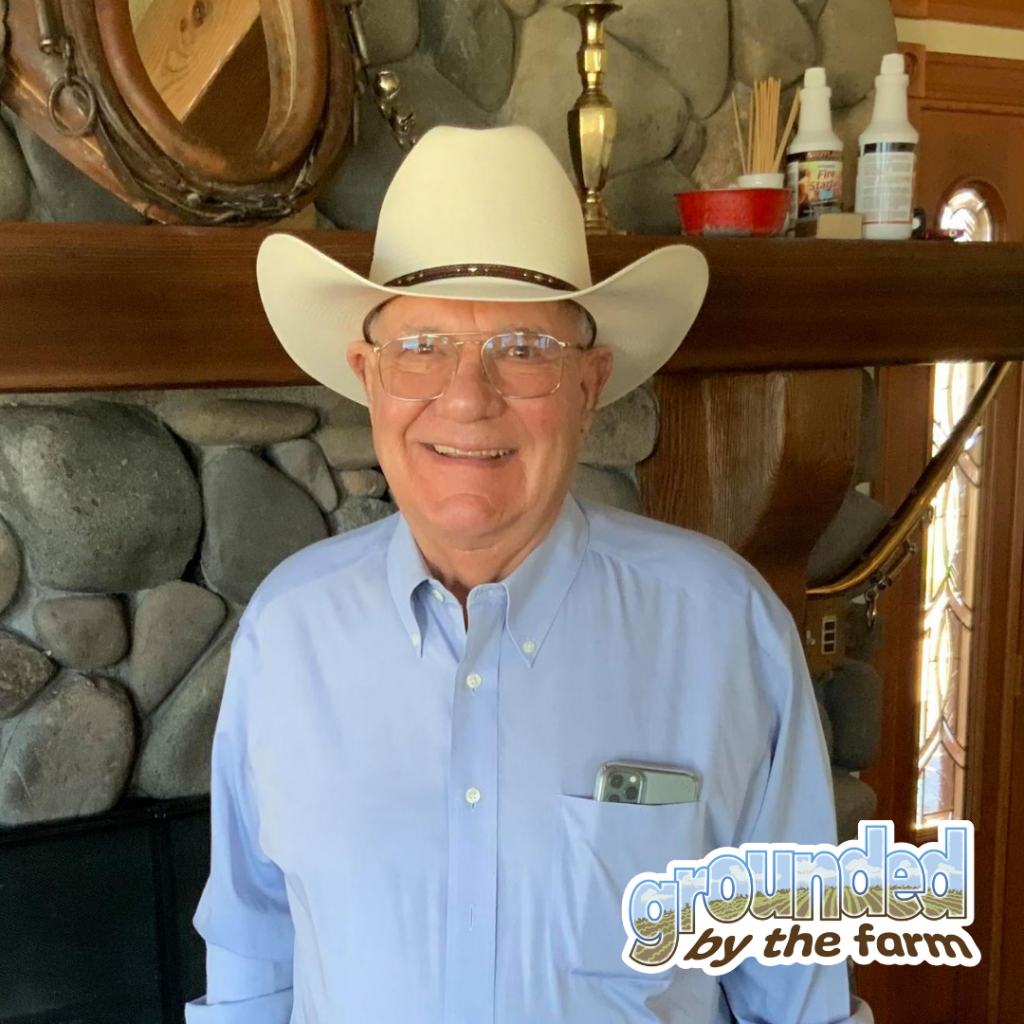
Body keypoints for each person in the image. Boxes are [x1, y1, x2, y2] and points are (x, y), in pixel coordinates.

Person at [184, 124, 873, 1023]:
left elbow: (799, 995)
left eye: (523, 350)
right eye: (422, 347)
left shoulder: (725, 631)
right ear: (369, 379)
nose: (468, 397)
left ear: (590, 387)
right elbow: (254, 952)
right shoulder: (286, 632)